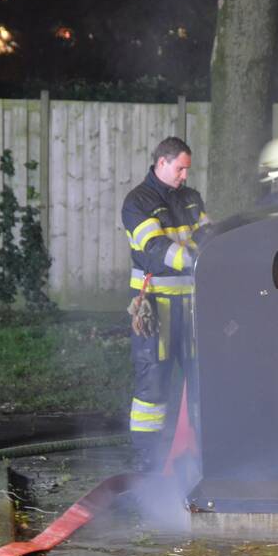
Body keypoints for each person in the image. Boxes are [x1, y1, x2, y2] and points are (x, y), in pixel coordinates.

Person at [121, 137, 211, 471]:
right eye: (180, 168)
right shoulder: (137, 202)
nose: (185, 175)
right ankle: (148, 459)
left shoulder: (190, 198)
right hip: (155, 307)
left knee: (202, 380)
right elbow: (155, 248)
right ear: (162, 163)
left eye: (187, 169)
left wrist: (209, 249)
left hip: (191, 307)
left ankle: (202, 452)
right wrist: (195, 259)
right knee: (152, 383)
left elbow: (208, 233)